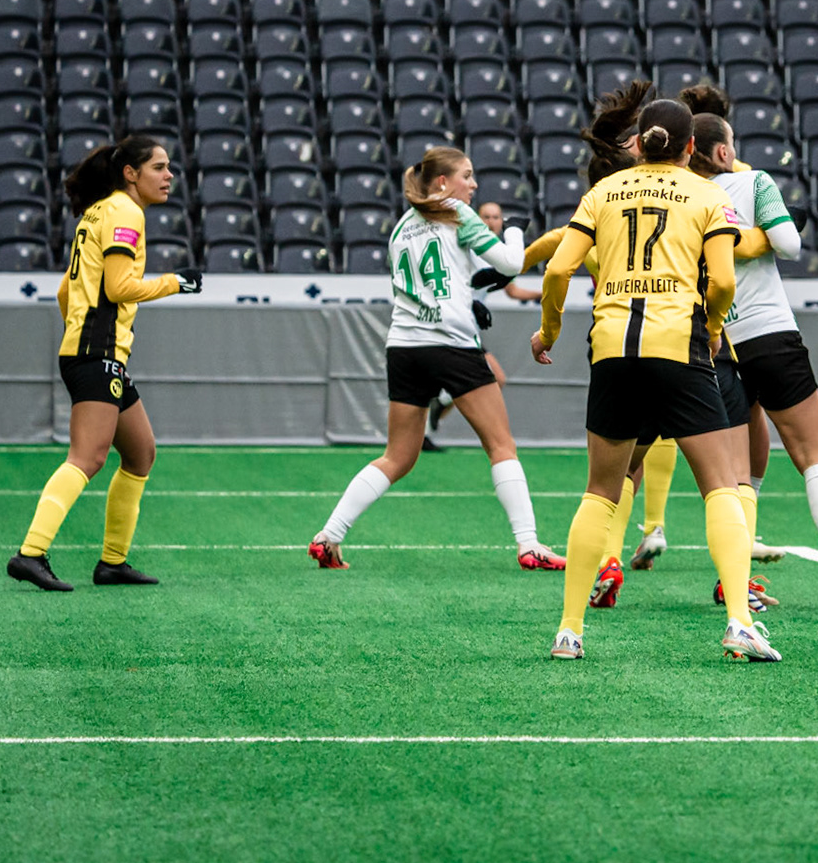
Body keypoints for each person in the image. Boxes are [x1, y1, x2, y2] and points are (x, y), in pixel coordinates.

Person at [531, 98, 779, 661]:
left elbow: (557, 268)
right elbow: (721, 281)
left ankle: (570, 630)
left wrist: (548, 331)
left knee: (600, 491)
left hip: (613, 348)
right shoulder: (709, 195)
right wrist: (713, 328)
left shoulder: (601, 194)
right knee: (721, 486)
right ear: (693, 148)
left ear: (639, 143)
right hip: (679, 346)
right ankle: (739, 622)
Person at [307, 148, 563, 572]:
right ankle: (529, 544)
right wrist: (515, 229)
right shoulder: (455, 212)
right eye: (467, 175)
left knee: (398, 456)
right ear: (442, 183)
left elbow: (441, 277)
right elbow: (513, 263)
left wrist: (469, 296)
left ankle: (329, 535)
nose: (473, 185)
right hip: (450, 343)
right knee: (501, 445)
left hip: (404, 346)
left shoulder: (402, 227)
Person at [6, 135, 203, 592]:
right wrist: (176, 283)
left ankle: (112, 563)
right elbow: (118, 288)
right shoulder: (124, 212)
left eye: (168, 167)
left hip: (93, 352)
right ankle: (30, 554)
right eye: (159, 167)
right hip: (97, 354)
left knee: (140, 452)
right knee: (89, 456)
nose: (169, 175)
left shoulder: (98, 210)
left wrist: (81, 330)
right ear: (130, 174)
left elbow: (64, 292)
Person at [690, 111, 818, 609]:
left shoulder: (681, 197)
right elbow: (790, 245)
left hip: (718, 341)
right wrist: (765, 231)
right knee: (814, 458)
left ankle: (735, 578)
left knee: (735, 475)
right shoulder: (754, 183)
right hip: (770, 333)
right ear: (723, 151)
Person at [424, 200, 543, 453]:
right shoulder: (470, 244)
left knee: (483, 380)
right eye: (486, 217)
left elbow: (511, 290)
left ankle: (431, 423)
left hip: (469, 325)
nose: (491, 222)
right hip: (455, 322)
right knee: (493, 378)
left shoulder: (500, 252)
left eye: (496, 217)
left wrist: (542, 294)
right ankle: (492, 439)